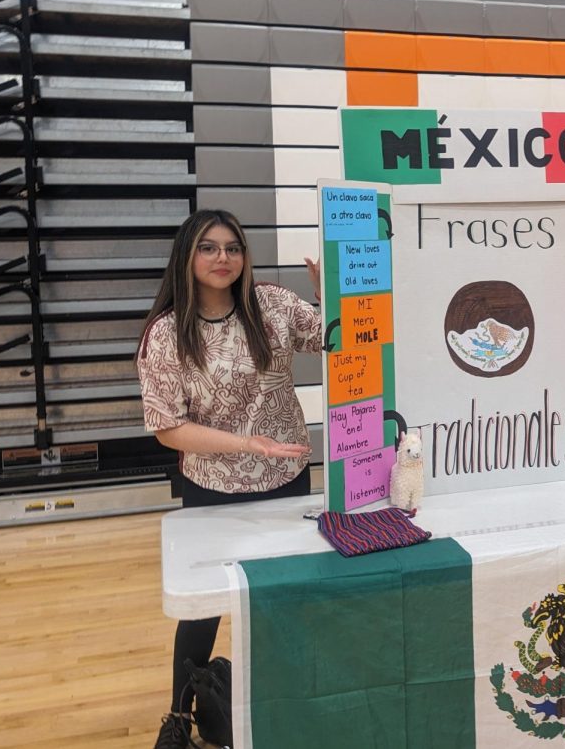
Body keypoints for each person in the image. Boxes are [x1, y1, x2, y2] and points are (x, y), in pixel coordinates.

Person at [136, 209, 322, 749]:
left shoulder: (276, 306)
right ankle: (179, 718)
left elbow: (340, 343)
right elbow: (168, 428)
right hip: (213, 488)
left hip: (287, 479)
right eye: (209, 248)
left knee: (284, 598)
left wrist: (333, 297)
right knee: (202, 608)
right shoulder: (167, 334)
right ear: (187, 258)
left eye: (233, 247)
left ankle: (281, 701)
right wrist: (246, 444)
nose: (223, 258)